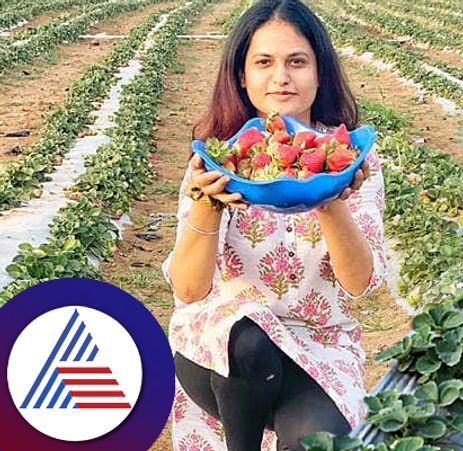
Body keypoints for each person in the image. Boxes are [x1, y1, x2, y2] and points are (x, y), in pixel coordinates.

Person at [162, 1, 387, 450]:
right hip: (219, 348)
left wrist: (330, 199)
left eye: (297, 61)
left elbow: (359, 284)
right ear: (242, 76)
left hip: (316, 344)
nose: (281, 76)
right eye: (264, 62)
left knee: (315, 442)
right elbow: (188, 291)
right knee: (248, 337)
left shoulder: (347, 161)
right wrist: (209, 204)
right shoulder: (218, 160)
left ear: (319, 73)